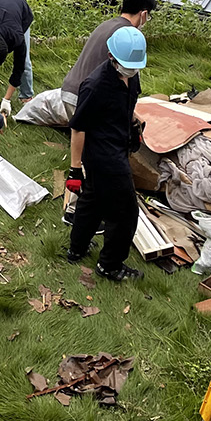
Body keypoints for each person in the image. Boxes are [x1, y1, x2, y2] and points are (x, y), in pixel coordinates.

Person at [64, 26, 147, 282]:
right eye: (127, 64)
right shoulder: (96, 85)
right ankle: (110, 265)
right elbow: (78, 127)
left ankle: (76, 249)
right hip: (103, 156)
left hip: (120, 143)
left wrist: (134, 118)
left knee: (93, 200)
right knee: (126, 212)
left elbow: (126, 103)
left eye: (135, 66)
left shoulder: (131, 77)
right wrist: (75, 169)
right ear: (111, 56)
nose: (131, 70)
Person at [61, 0, 158, 113]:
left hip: (69, 91)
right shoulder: (129, 36)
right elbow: (129, 78)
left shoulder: (107, 24)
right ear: (144, 14)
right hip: (86, 98)